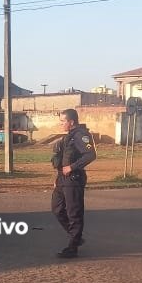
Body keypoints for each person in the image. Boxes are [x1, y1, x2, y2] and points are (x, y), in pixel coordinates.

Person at [51, 108, 96, 259]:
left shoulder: (81, 135)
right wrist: (57, 178)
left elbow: (90, 155)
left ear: (71, 122)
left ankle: (73, 247)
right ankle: (76, 236)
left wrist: (72, 167)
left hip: (74, 179)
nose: (61, 124)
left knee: (74, 213)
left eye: (63, 121)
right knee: (57, 209)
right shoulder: (68, 136)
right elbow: (63, 160)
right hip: (62, 179)